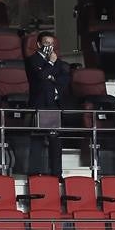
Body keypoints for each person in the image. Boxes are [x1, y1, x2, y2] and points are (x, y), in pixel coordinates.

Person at [25, 31, 70, 177]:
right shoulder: (32, 60)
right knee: (37, 140)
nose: (49, 46)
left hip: (54, 105)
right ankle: (34, 174)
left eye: (51, 44)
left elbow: (64, 79)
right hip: (39, 104)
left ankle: (57, 174)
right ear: (39, 44)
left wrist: (50, 75)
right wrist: (50, 65)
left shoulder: (59, 61)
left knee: (55, 141)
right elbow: (40, 78)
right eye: (46, 43)